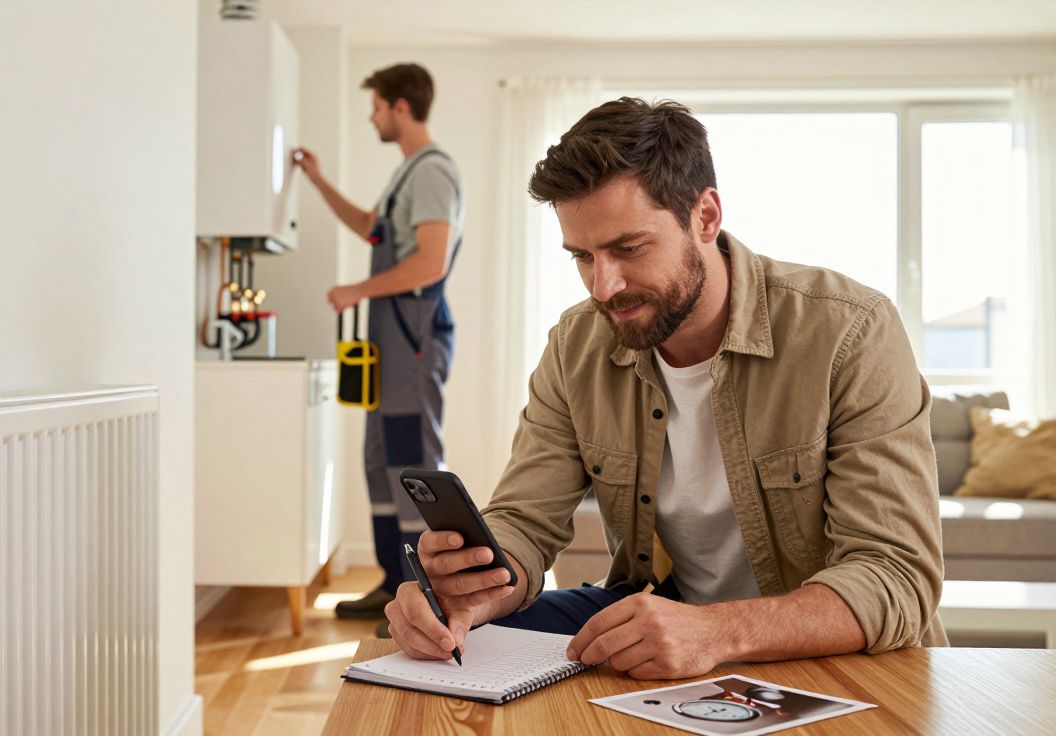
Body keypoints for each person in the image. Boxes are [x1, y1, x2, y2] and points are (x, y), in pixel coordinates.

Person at [384, 97, 946, 678]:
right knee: (461, 644)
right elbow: (524, 524)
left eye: (629, 249)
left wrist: (715, 631)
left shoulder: (850, 330)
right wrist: (472, 590)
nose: (604, 286)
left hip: (816, 644)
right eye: (582, 256)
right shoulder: (575, 345)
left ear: (705, 216)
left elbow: (895, 575)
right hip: (661, 610)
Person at [293, 63, 465, 630]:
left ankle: (425, 596)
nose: (371, 115)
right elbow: (371, 225)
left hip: (412, 341)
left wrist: (355, 290)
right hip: (388, 343)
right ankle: (395, 584)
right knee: (379, 462)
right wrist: (317, 183)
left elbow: (430, 262)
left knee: (411, 464)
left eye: (375, 106)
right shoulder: (406, 174)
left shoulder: (433, 172)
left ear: (400, 107)